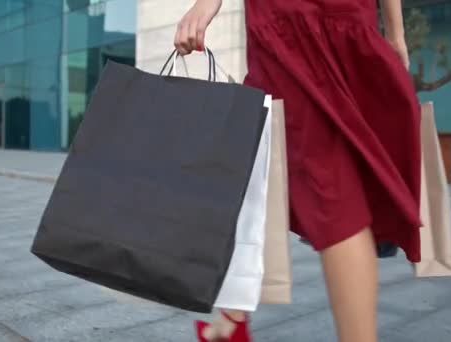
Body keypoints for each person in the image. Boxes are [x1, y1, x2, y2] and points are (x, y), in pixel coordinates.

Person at [174, 1, 421, 341]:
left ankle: (235, 320)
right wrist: (395, 34)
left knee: (326, 177)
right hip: (340, 16)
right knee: (261, 153)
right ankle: (231, 318)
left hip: (290, 18)